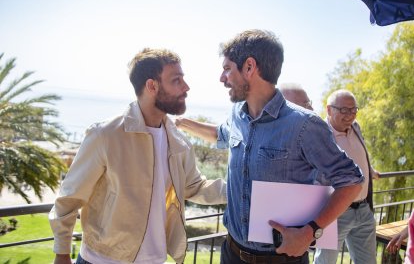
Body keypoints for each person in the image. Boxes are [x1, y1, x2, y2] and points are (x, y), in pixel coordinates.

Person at [183, 29, 364, 264]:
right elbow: (220, 134)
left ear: (249, 67)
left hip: (282, 259)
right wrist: (180, 123)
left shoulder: (304, 125)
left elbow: (351, 181)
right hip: (231, 254)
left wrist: (311, 232)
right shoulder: (237, 115)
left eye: (227, 68)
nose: (222, 77)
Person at [49, 48, 227, 264]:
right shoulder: (105, 135)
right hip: (101, 260)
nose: (186, 87)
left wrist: (242, 191)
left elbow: (195, 187)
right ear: (152, 86)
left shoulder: (178, 141)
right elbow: (69, 198)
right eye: (176, 80)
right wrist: (61, 253)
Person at [314, 89, 380, 264]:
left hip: (364, 210)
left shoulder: (355, 127)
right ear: (329, 110)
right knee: (325, 262)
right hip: (335, 212)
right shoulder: (320, 135)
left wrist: (369, 169)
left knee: (368, 261)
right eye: (344, 110)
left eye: (353, 110)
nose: (350, 115)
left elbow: (357, 153)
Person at [175, 82, 313, 139]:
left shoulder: (316, 134)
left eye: (309, 103)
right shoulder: (255, 131)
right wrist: (181, 123)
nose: (311, 109)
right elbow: (219, 135)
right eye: (306, 104)